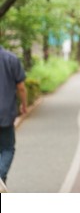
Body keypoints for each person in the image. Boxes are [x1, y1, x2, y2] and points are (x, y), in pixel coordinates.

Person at [0, 46, 28, 184]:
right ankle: (0, 177)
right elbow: (21, 87)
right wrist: (24, 104)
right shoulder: (11, 58)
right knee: (7, 148)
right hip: (5, 113)